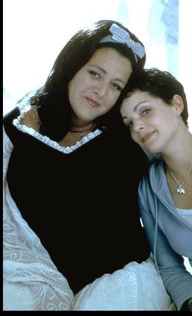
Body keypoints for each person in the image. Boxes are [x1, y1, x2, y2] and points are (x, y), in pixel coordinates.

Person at [3, 21, 174, 311]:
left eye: (116, 86)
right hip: (38, 277)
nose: (101, 91)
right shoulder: (20, 124)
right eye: (95, 73)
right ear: (72, 66)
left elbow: (183, 163)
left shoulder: (128, 133)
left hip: (120, 277)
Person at [120, 68, 192, 311]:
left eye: (145, 111)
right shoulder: (148, 190)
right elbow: (169, 266)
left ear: (176, 104)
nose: (137, 126)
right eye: (129, 122)